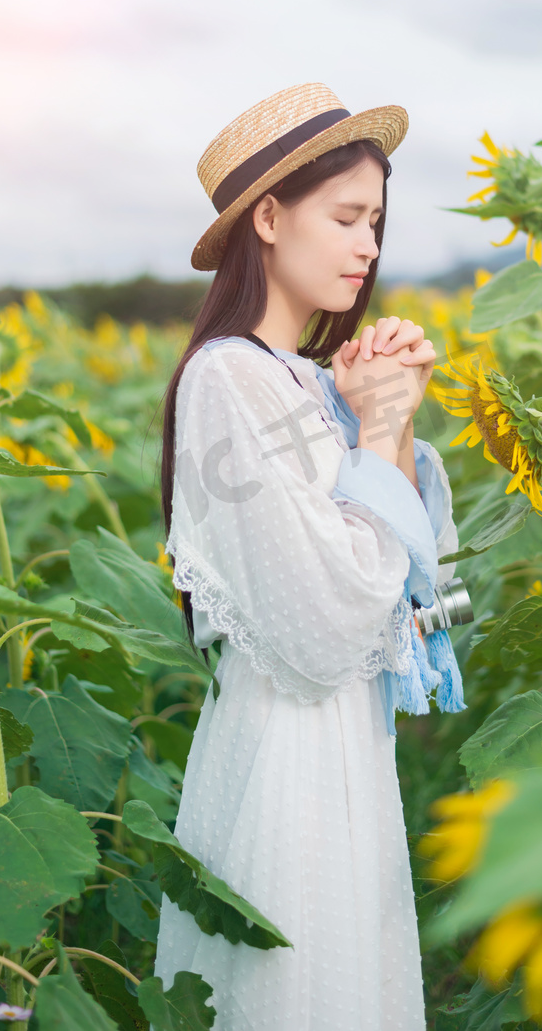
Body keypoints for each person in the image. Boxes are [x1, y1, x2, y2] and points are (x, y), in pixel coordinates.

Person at [154, 83, 464, 1030]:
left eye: (376, 219)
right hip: (288, 752)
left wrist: (391, 420)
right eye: (345, 216)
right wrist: (375, 432)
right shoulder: (229, 380)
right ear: (270, 217)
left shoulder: (310, 385)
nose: (369, 244)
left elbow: (427, 602)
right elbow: (326, 622)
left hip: (347, 747)